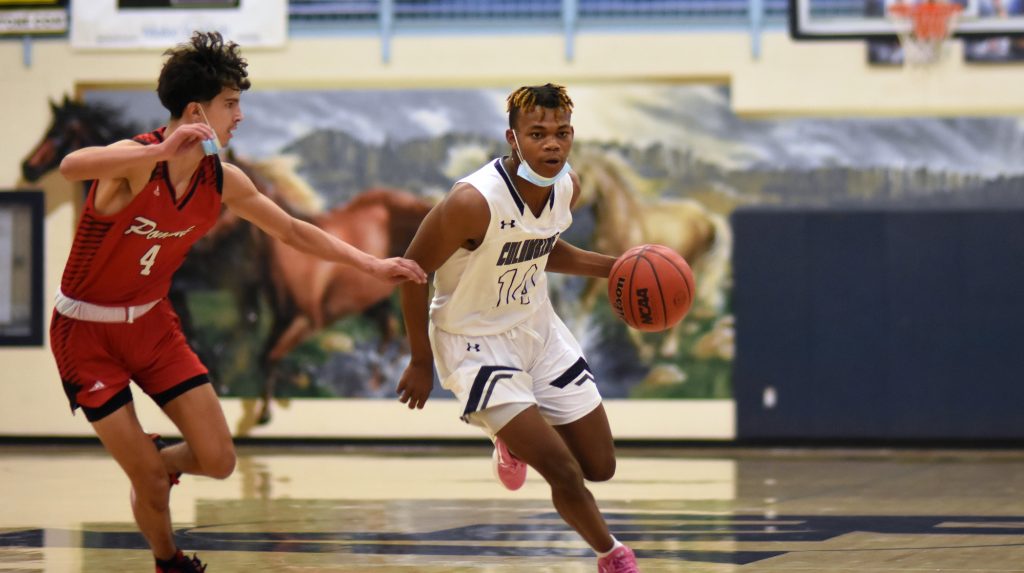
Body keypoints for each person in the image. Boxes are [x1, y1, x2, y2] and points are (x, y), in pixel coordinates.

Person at [51, 31, 426, 573]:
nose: (240, 116)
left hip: (152, 325)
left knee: (220, 461)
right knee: (150, 485)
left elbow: (296, 231)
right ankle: (169, 560)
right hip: (85, 334)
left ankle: (157, 461)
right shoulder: (135, 160)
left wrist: (371, 264)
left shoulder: (221, 179)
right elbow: (70, 166)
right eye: (232, 104)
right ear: (196, 110)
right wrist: (159, 149)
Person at [396, 83, 640, 572]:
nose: (552, 144)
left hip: (537, 330)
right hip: (474, 343)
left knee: (600, 466)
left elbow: (544, 246)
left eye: (562, 133)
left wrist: (615, 268)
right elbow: (410, 270)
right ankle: (612, 556)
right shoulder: (472, 202)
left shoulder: (565, 185)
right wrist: (421, 360)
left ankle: (514, 433)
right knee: (564, 472)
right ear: (513, 138)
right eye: (538, 134)